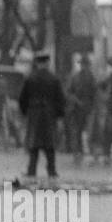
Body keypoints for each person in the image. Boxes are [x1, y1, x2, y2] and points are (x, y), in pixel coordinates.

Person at [19, 52, 65, 181]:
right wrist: (59, 114)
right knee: (49, 143)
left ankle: (31, 170)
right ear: (47, 62)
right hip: (49, 114)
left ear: (37, 63)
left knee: (34, 143)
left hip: (34, 113)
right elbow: (60, 99)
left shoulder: (30, 78)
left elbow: (22, 98)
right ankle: (52, 171)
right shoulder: (54, 79)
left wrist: (25, 112)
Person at [66, 53, 95, 163]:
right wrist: (76, 101)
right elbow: (69, 92)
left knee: (89, 132)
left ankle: (87, 150)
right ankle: (77, 151)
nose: (84, 67)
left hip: (88, 108)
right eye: (83, 64)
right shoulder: (74, 77)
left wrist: (91, 106)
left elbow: (94, 93)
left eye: (86, 64)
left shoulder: (91, 77)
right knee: (76, 131)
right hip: (76, 108)